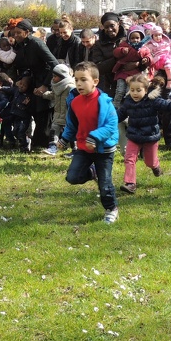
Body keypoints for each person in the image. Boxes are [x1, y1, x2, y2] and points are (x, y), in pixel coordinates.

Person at [58, 62, 120, 223]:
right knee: (72, 177)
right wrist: (64, 139)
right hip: (84, 149)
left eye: (83, 80)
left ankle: (111, 209)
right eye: (76, 80)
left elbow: (111, 125)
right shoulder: (75, 102)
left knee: (105, 185)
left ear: (95, 81)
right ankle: (91, 173)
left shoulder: (105, 103)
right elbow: (72, 124)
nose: (79, 84)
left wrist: (95, 137)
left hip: (103, 150)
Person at [116, 74, 171, 194]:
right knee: (129, 158)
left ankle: (156, 166)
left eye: (139, 90)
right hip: (134, 136)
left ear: (146, 90)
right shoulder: (128, 102)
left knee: (150, 161)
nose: (135, 93)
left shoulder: (153, 101)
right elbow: (118, 116)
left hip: (150, 137)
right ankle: (130, 183)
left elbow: (168, 105)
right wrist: (105, 121)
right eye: (132, 90)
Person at [10, 19, 59, 149]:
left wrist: (45, 85)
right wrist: (22, 78)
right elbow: (21, 65)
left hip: (44, 81)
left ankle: (43, 146)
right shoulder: (21, 46)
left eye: (18, 33)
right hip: (32, 83)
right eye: (14, 33)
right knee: (34, 113)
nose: (15, 36)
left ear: (27, 32)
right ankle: (34, 144)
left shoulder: (37, 44)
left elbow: (54, 64)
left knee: (44, 115)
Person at [39, 64, 76, 156]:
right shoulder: (56, 87)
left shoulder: (71, 87)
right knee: (54, 130)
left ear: (62, 77)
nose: (53, 78)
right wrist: (43, 94)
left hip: (69, 115)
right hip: (58, 114)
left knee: (71, 132)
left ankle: (75, 150)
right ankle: (52, 148)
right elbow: (53, 95)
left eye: (55, 76)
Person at [111, 25, 151, 107]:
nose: (135, 40)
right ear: (129, 38)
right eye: (132, 38)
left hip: (135, 74)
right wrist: (122, 51)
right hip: (123, 72)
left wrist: (146, 59)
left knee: (129, 91)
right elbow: (115, 52)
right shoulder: (124, 45)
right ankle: (115, 105)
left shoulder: (143, 48)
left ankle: (128, 107)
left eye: (137, 38)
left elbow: (149, 56)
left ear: (141, 38)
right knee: (120, 90)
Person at [89, 12, 127, 97]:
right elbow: (98, 67)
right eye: (106, 27)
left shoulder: (128, 38)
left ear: (118, 24)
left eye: (112, 26)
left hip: (130, 85)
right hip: (109, 85)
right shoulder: (99, 44)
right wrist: (116, 59)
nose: (109, 29)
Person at [142, 25, 171, 89]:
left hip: (168, 57)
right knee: (167, 65)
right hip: (159, 60)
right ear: (152, 36)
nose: (158, 37)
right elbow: (145, 49)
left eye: (159, 35)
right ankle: (169, 80)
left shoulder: (165, 41)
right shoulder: (151, 44)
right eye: (156, 35)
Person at [9, 74, 34, 152]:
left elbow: (30, 108)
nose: (22, 86)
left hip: (24, 117)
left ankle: (24, 146)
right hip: (16, 116)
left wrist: (27, 104)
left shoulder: (29, 96)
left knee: (21, 131)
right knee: (15, 131)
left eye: (24, 85)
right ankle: (24, 141)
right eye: (21, 84)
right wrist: (1, 88)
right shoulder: (16, 90)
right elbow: (9, 90)